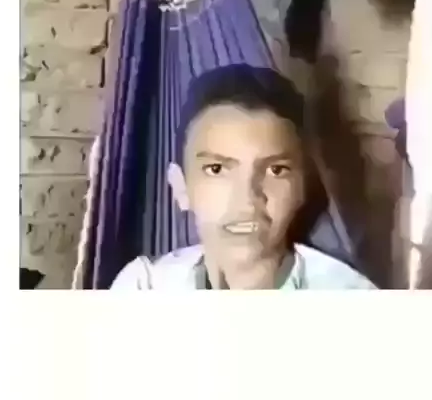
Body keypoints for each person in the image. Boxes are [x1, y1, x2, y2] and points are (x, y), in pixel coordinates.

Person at [112, 65, 376, 290]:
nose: (248, 200)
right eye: (216, 169)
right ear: (181, 187)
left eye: (276, 170)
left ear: (302, 187)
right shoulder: (144, 287)